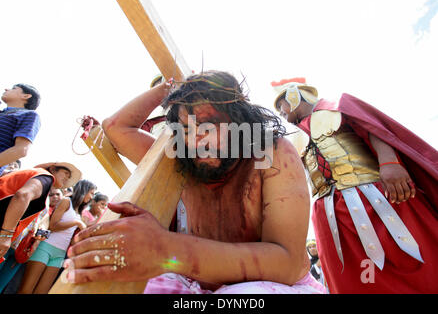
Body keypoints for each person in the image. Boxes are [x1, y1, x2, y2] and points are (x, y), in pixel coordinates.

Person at [62, 70, 326, 294]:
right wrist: (167, 89)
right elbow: (117, 127)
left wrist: (164, 247)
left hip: (274, 286)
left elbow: (287, 264)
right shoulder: (181, 159)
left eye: (209, 124)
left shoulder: (272, 152)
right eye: (186, 129)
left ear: (239, 120)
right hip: (192, 281)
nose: (197, 139)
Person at [270, 78, 438, 293]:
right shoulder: (294, 138)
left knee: (412, 259)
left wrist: (389, 163)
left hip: (374, 197)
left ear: (294, 97)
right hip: (328, 213)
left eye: (280, 105)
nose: (280, 113)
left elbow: (373, 128)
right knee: (353, 278)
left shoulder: (337, 106)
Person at [0, 161, 81, 291]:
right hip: (7, 239)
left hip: (17, 246)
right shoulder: (45, 177)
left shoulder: (45, 197)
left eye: (69, 177)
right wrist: (5, 235)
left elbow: (42, 226)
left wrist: (36, 239)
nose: (66, 178)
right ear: (53, 169)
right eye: (65, 173)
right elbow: (23, 195)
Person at [18, 179, 96, 294]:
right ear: (84, 190)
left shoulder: (79, 213)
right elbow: (53, 226)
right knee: (26, 289)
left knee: (42, 291)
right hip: (45, 246)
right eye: (92, 193)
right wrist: (76, 223)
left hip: (60, 254)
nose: (92, 197)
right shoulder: (66, 201)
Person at [0, 84, 41, 176]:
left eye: (13, 88)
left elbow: (21, 149)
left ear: (26, 96)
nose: (6, 88)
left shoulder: (29, 114)